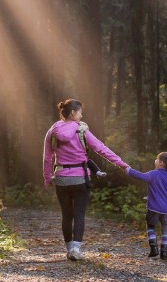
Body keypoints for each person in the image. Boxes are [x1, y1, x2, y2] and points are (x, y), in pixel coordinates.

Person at [43, 99, 128, 260]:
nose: (82, 115)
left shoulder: (52, 131)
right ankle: (76, 249)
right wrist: (121, 164)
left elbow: (47, 158)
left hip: (61, 178)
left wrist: (47, 177)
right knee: (79, 214)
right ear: (73, 113)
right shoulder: (81, 130)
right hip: (80, 178)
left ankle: (69, 249)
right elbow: (101, 149)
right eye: (80, 112)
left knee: (66, 215)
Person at [125, 152, 167, 260]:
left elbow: (140, 176)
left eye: (157, 159)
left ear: (160, 163)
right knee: (165, 230)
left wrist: (128, 170)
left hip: (153, 208)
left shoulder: (153, 174)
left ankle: (153, 248)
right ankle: (164, 252)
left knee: (150, 226)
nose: (155, 161)